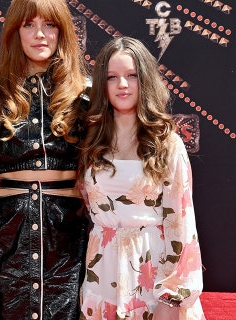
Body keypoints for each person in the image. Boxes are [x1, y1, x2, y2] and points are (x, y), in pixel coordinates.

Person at [0, 0, 90, 319]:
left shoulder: (87, 97)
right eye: (29, 25)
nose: (40, 34)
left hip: (70, 233)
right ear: (14, 32)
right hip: (8, 231)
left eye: (49, 24)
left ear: (63, 31)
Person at [78, 36, 205, 320]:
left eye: (132, 75)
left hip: (153, 276)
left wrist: (171, 299)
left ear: (145, 79)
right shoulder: (91, 141)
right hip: (102, 275)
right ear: (102, 84)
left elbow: (181, 226)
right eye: (112, 77)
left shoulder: (167, 143)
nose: (122, 85)